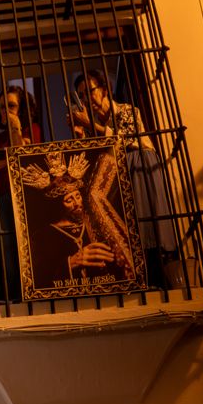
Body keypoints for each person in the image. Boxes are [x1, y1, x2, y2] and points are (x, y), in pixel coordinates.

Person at [67, 69, 176, 287]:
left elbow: (123, 140)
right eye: (82, 95)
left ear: (105, 90)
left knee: (150, 223)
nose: (87, 98)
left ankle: (163, 276)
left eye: (90, 91)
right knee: (131, 228)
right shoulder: (93, 126)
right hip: (119, 178)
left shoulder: (126, 111)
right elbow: (94, 161)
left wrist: (90, 125)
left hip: (140, 165)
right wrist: (80, 136)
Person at [22, 149, 135, 288]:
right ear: (59, 206)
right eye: (69, 200)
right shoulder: (43, 236)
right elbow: (39, 276)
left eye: (78, 196)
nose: (77, 203)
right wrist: (71, 262)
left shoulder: (92, 222)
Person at [0, 85, 42, 303]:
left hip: (26, 196)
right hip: (1, 198)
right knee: (8, 252)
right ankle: (16, 301)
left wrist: (16, 131)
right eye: (2, 107)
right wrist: (11, 155)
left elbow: (24, 159)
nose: (6, 111)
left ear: (23, 108)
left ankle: (34, 297)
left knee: (30, 249)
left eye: (11, 106)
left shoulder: (33, 130)